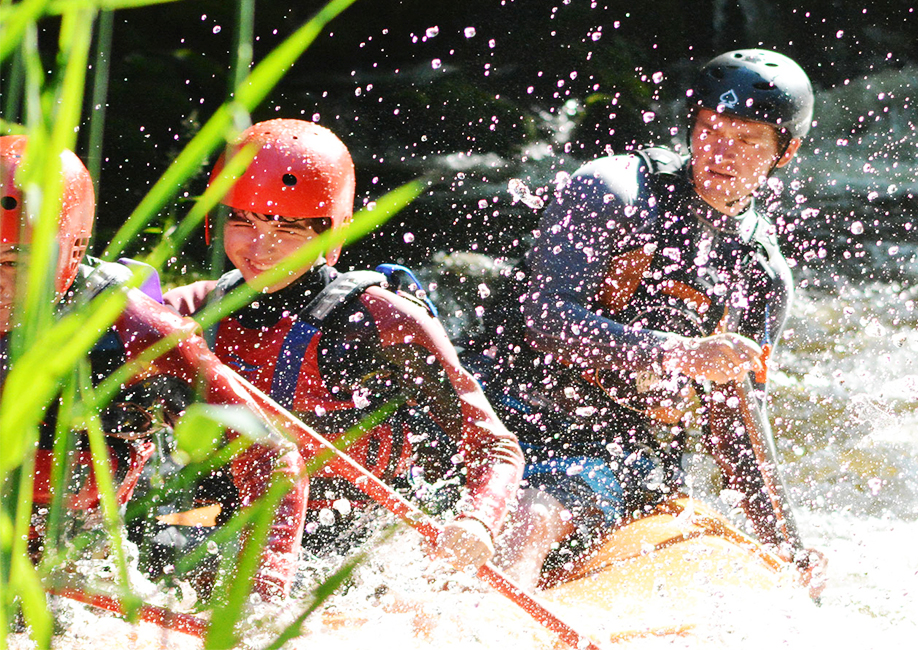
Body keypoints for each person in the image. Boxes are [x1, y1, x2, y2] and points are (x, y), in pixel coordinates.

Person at [473, 48, 827, 596]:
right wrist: (678, 353)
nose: (721, 153)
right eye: (710, 129)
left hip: (614, 446)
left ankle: (486, 617)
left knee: (534, 514)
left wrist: (788, 548)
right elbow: (545, 317)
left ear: (786, 152)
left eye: (748, 140)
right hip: (505, 401)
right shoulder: (614, 189)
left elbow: (737, 421)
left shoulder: (761, 273)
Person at [164, 119, 523, 571]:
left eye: (288, 230)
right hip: (225, 520)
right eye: (243, 222)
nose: (260, 248)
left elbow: (494, 446)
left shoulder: (380, 323)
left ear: (331, 233)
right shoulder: (184, 312)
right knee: (160, 545)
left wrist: (477, 523)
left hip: (347, 537)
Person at [0, 135, 308, 600]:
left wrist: (259, 596)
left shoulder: (140, 333)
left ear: (70, 254)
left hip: (81, 571)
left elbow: (273, 458)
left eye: (11, 261)